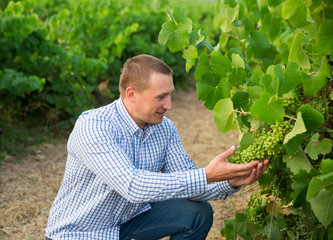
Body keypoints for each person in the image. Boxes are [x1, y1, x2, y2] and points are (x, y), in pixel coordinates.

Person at [45, 54, 269, 240]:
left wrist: (228, 181)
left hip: (128, 223)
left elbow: (189, 181)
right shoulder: (94, 126)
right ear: (132, 95)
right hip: (80, 233)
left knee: (197, 213)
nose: (169, 105)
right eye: (161, 97)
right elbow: (132, 185)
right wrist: (205, 175)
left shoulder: (164, 128)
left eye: (170, 95)